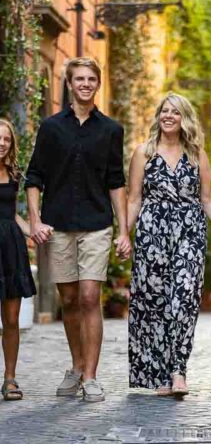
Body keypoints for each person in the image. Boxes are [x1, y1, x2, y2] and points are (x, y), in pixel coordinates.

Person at [25, 57, 131, 403]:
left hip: (97, 224)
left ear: (97, 83)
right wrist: (36, 220)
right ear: (69, 84)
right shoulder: (51, 128)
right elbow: (34, 177)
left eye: (91, 79)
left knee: (89, 297)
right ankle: (76, 365)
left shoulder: (111, 130)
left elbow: (116, 182)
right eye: (79, 79)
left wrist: (123, 229)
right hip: (58, 225)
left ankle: (91, 376)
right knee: (69, 300)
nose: (85, 84)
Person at [127, 92, 211, 397]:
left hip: (189, 231)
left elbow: (207, 199)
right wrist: (123, 234)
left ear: (185, 119)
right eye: (164, 111)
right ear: (158, 116)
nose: (169, 116)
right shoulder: (143, 153)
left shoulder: (197, 154)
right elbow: (134, 199)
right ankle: (158, 374)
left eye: (175, 112)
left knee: (183, 299)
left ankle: (178, 370)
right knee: (153, 301)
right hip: (151, 232)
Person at [0, 119, 37, 401]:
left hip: (10, 247)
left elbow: (12, 215)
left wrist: (36, 230)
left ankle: (10, 379)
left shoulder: (13, 173)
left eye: (7, 140)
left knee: (11, 319)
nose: (2, 143)